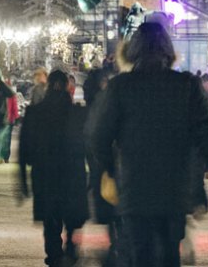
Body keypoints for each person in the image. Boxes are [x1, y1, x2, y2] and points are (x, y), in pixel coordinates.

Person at [87, 22, 208, 267]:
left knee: (139, 253)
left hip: (134, 189)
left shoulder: (120, 87)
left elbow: (97, 136)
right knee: (168, 254)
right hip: (174, 191)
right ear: (168, 51)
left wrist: (111, 169)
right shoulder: (186, 86)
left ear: (133, 51)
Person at [20, 70, 89, 267]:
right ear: (67, 87)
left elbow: (25, 148)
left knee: (51, 220)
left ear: (48, 86)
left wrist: (23, 181)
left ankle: (54, 255)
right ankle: (70, 249)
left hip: (45, 175)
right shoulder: (77, 113)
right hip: (72, 173)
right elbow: (90, 143)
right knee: (72, 216)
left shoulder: (35, 112)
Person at [83, 68, 118, 266]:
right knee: (115, 212)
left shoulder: (97, 106)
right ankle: (116, 247)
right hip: (109, 169)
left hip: (105, 168)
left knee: (113, 212)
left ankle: (115, 247)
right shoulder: (102, 105)